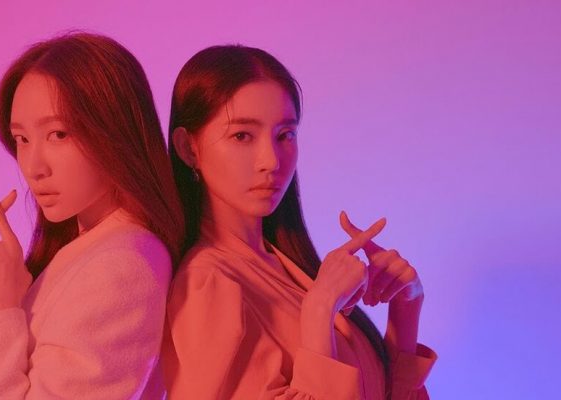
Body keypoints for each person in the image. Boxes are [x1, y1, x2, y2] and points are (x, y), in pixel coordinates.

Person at [0, 32, 184, 399]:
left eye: (58, 134)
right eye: (22, 139)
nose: (33, 167)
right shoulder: (89, 251)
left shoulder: (122, 268)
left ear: (115, 130)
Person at [161, 44, 437, 399]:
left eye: (284, 135)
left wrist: (405, 308)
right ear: (188, 148)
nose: (271, 160)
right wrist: (320, 309)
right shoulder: (205, 284)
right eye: (242, 136)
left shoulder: (284, 268)